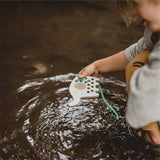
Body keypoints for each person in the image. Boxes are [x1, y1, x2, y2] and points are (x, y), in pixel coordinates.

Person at [78, 0, 160, 152]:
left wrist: (153, 132)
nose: (134, 13)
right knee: (140, 59)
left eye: (136, 3)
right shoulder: (155, 31)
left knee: (138, 67)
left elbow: (148, 85)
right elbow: (137, 50)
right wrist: (97, 66)